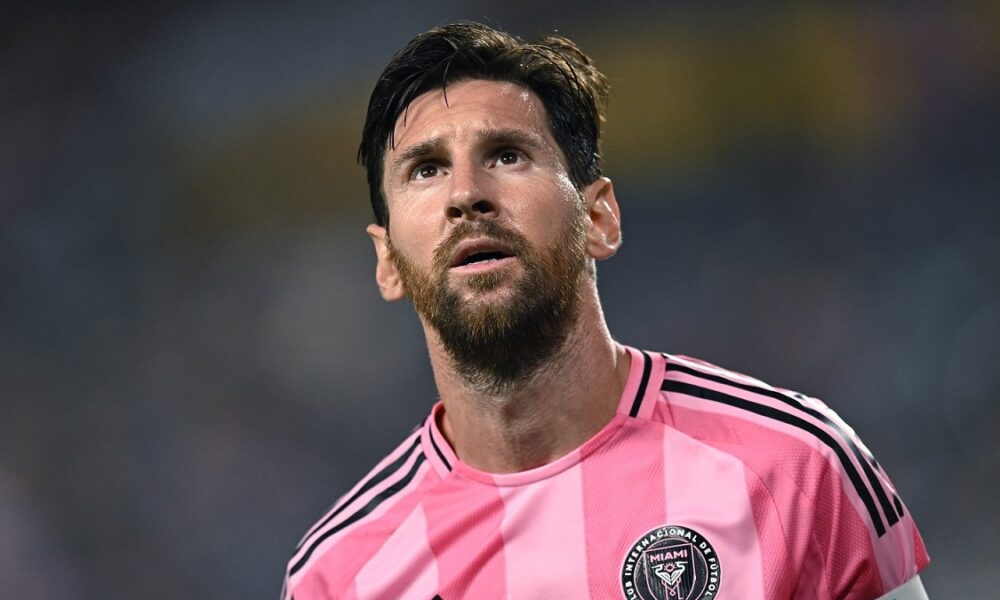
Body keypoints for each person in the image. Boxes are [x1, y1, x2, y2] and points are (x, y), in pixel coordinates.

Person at [281, 22, 929, 600]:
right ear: (388, 261)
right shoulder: (336, 578)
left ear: (598, 218)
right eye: (426, 169)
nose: (466, 194)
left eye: (506, 155)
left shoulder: (797, 469)